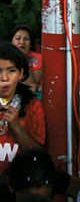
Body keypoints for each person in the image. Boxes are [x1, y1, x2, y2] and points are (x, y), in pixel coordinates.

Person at [0, 43, 45, 176]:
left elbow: (39, 155)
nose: (4, 78)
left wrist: (17, 128)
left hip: (20, 185)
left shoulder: (33, 106)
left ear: (21, 74)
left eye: (11, 70)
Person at [9, 26, 41, 97]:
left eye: (26, 39)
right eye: (18, 38)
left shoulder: (37, 58)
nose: (22, 42)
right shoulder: (5, 57)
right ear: (11, 42)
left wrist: (22, 58)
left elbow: (31, 84)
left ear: (30, 45)